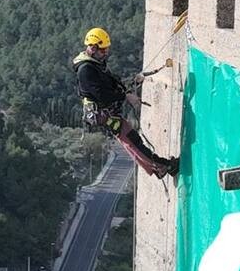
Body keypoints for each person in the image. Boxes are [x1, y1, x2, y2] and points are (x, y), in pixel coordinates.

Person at [73, 27, 178, 178]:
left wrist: (128, 87)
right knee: (132, 140)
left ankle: (158, 168)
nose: (106, 53)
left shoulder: (95, 63)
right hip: (103, 113)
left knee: (131, 141)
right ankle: (164, 166)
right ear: (93, 48)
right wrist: (125, 97)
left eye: (106, 50)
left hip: (106, 111)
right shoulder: (85, 69)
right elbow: (102, 95)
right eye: (103, 50)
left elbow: (111, 82)